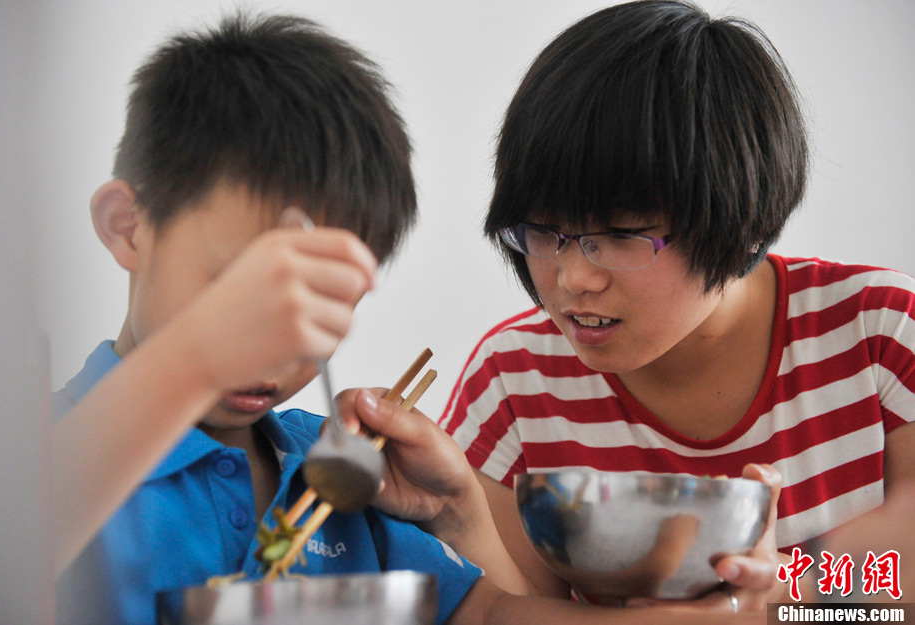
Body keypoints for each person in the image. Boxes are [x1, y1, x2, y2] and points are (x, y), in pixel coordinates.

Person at [52, 11, 752, 625]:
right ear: (129, 226)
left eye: (317, 304)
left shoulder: (331, 465)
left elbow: (489, 614)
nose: (269, 348)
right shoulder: (39, 451)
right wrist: (195, 355)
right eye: (244, 291)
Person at [440, 0, 915, 612]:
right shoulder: (511, 380)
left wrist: (787, 597)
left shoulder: (881, 331)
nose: (574, 278)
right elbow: (510, 608)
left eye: (621, 235)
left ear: (741, 223)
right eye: (542, 231)